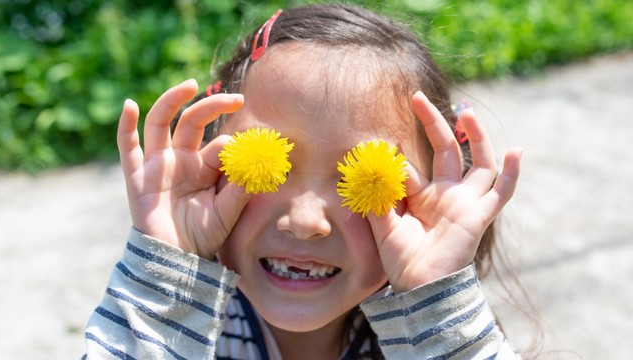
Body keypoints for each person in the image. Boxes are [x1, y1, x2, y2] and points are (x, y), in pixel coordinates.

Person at [84, 3, 523, 359]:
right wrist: (165, 280)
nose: (305, 220)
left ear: (430, 198)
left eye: (372, 175)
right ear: (211, 166)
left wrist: (438, 307)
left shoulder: (445, 341)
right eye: (262, 161)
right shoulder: (165, 329)